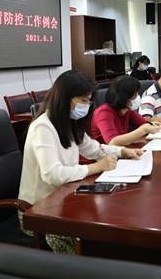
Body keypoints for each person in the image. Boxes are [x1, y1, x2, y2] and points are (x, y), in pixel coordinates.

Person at [18, 70, 142, 253]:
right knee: (87, 239)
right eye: (83, 100)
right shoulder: (43, 127)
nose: (87, 105)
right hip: (37, 210)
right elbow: (52, 175)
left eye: (89, 101)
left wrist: (122, 151)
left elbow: (94, 149)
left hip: (64, 198)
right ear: (65, 98)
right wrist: (96, 167)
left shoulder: (68, 123)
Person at [91, 76, 161, 145]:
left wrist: (152, 125)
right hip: (102, 151)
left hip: (120, 149)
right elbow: (112, 142)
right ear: (124, 97)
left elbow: (144, 124)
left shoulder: (127, 111)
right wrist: (144, 129)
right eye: (135, 95)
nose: (138, 97)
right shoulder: (104, 112)